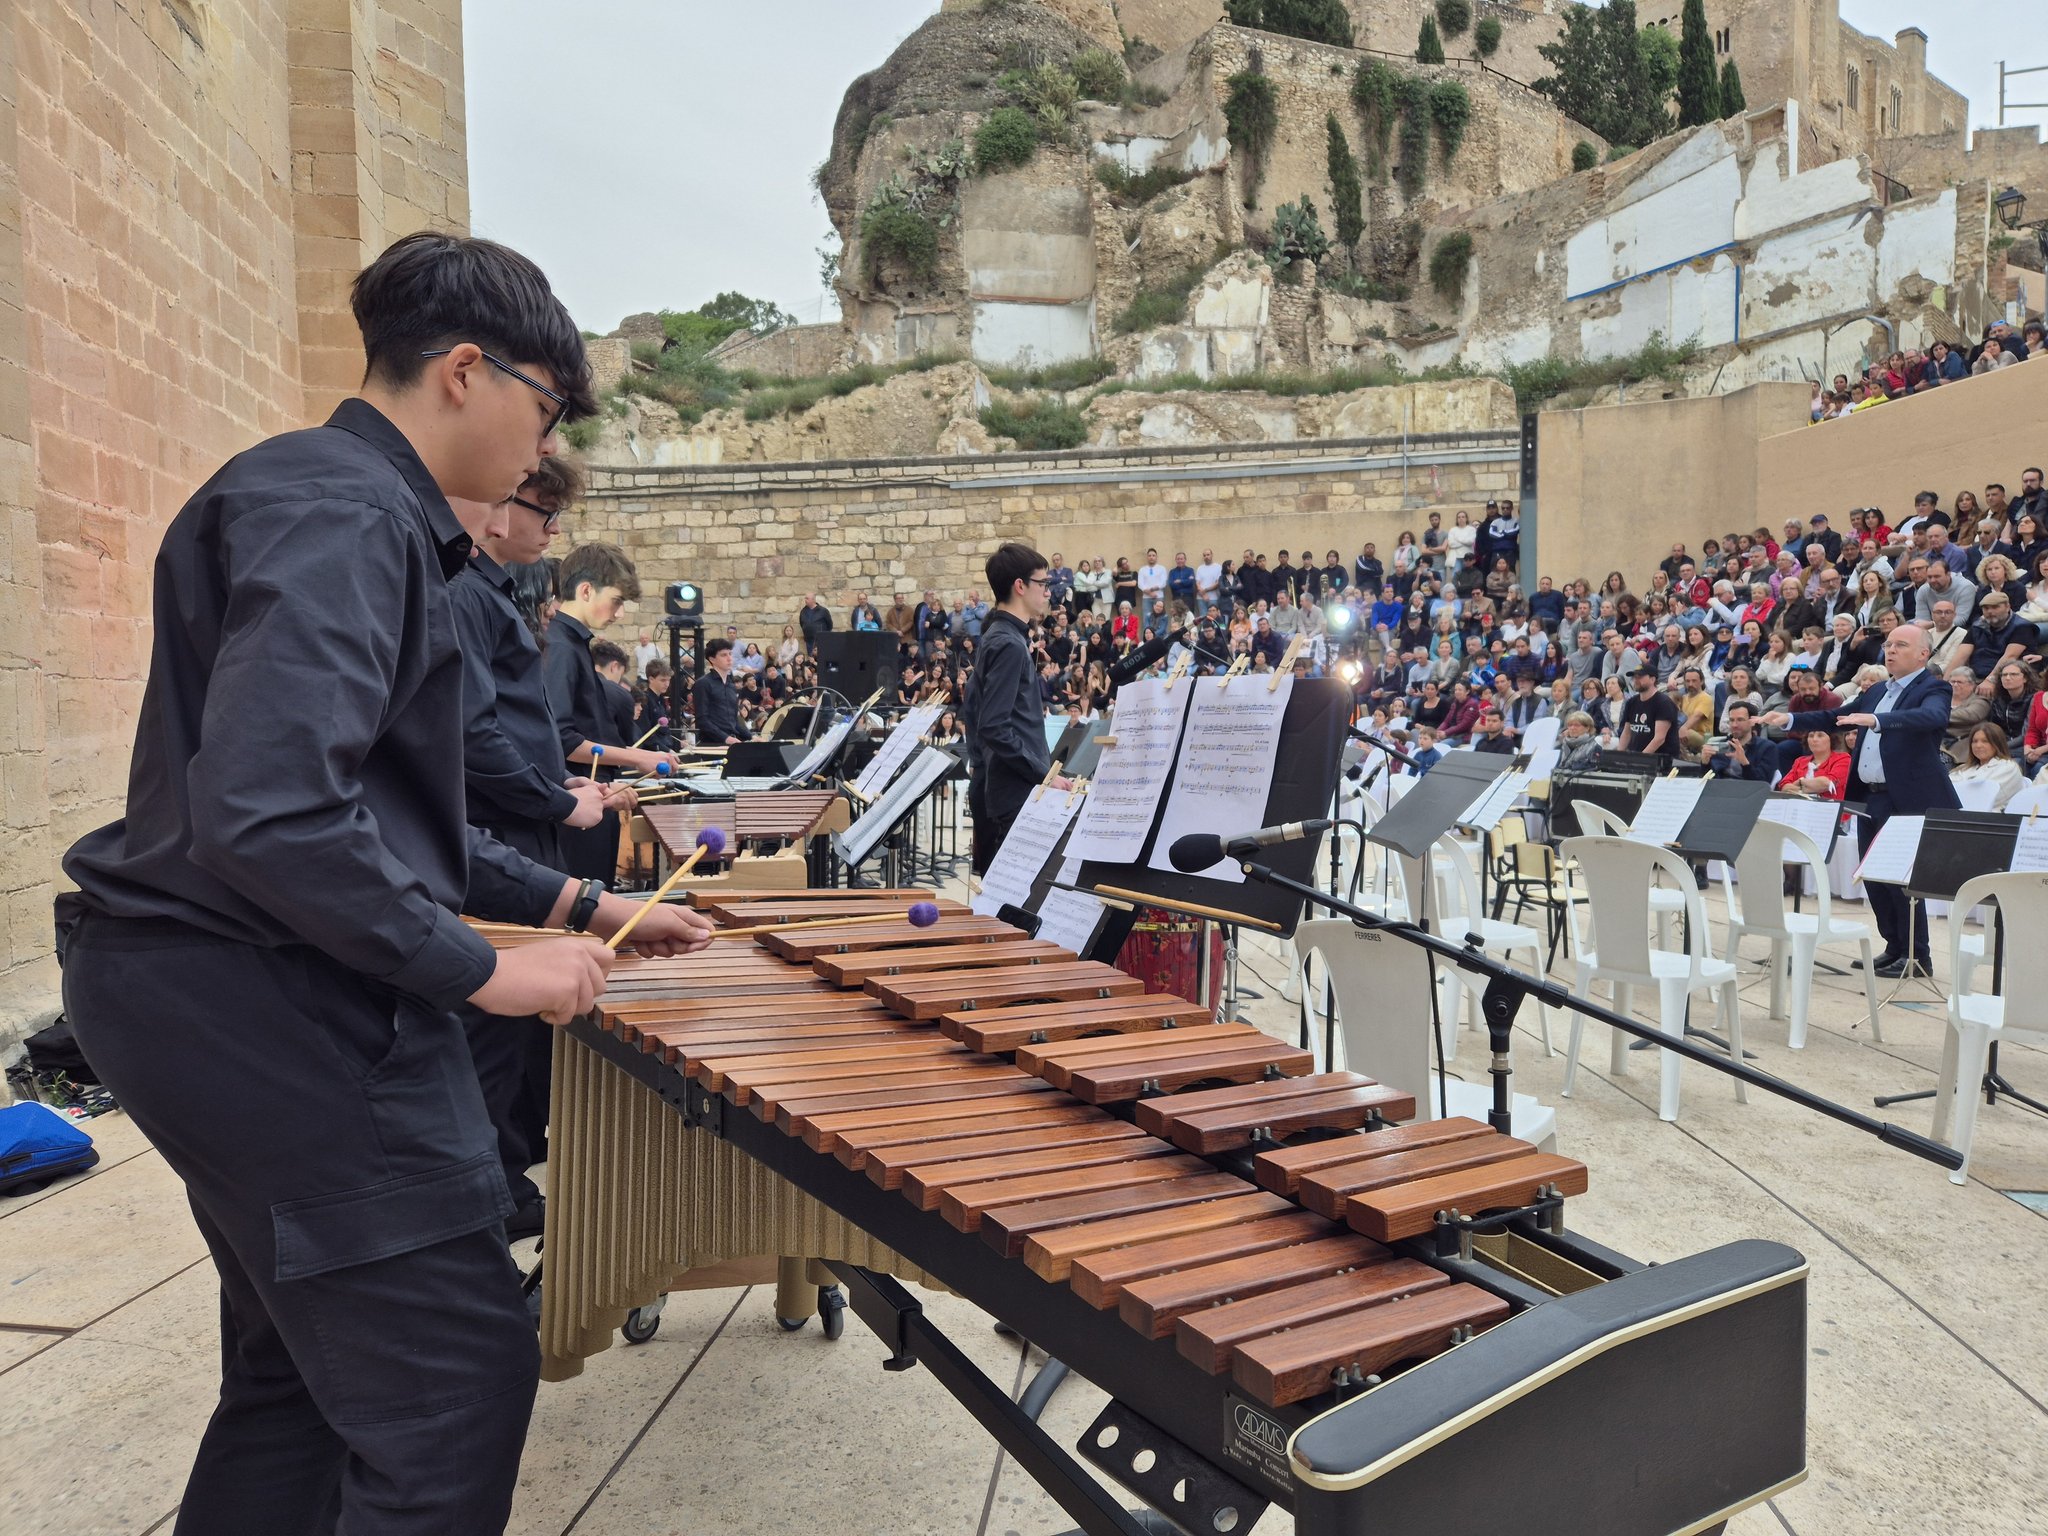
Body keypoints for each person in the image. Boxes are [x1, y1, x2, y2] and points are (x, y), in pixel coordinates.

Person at [53, 232, 717, 1536]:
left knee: (298, 1382)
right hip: (259, 1001)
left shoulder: (332, 500)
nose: (543, 450)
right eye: (546, 408)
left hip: (196, 987)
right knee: (454, 1381)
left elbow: (374, 814)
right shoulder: (353, 513)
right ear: (466, 372)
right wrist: (483, 968)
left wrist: (574, 910)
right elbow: (273, 815)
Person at [1768, 623, 1957, 977]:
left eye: (1901, 644)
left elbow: (1932, 717)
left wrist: (1877, 720)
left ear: (1923, 654)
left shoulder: (1934, 687)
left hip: (1905, 799)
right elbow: (1835, 716)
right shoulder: (1878, 690)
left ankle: (1917, 957)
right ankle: (1894, 946)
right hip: (1870, 798)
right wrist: (1791, 717)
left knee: (1901, 880)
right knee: (1873, 876)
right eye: (1888, 644)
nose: (1891, 649)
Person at [546, 542, 673, 882]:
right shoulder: (560, 648)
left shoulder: (572, 645)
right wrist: (637, 758)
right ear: (586, 590)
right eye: (616, 601)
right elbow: (562, 739)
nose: (619, 613)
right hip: (577, 805)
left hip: (595, 796)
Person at [966, 542, 1064, 872]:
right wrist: (1044, 775)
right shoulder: (1007, 643)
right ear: (1020, 586)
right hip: (1014, 795)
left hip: (1003, 788)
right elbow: (993, 726)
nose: (1048, 592)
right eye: (1043, 583)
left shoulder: (998, 635)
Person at [692, 637, 752, 745]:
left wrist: (752, 737)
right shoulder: (703, 684)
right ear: (712, 659)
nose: (729, 658)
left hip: (731, 742)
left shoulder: (731, 685)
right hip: (712, 744)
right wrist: (725, 738)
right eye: (724, 655)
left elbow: (734, 722)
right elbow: (702, 720)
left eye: (730, 654)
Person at [1952, 724, 2024, 810]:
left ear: (1997, 744)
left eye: (1985, 741)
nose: (1978, 745)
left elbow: (1983, 797)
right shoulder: (1963, 768)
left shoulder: (2008, 767)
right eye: (1975, 741)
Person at [1618, 665, 1680, 755]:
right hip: (1637, 756)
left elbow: (1659, 738)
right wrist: (1618, 756)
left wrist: (1641, 758)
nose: (1636, 680)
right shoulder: (1631, 702)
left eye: (1640, 677)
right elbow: (1627, 733)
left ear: (1652, 679)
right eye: (1635, 677)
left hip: (1661, 759)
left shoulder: (1663, 703)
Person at [1776, 727, 1850, 799]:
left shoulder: (1843, 758)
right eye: (1811, 736)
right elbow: (1784, 786)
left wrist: (1800, 782)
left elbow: (1827, 784)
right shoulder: (1800, 761)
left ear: (1831, 739)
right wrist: (1809, 787)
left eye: (1820, 735)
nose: (1814, 739)